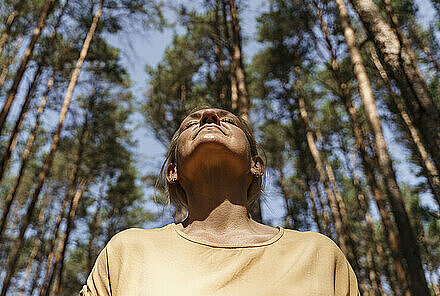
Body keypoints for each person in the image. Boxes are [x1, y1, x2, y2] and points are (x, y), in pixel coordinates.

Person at [80, 106, 360, 296]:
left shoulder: (318, 253)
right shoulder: (127, 250)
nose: (209, 116)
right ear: (172, 171)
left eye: (227, 121)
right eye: (191, 123)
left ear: (256, 165)